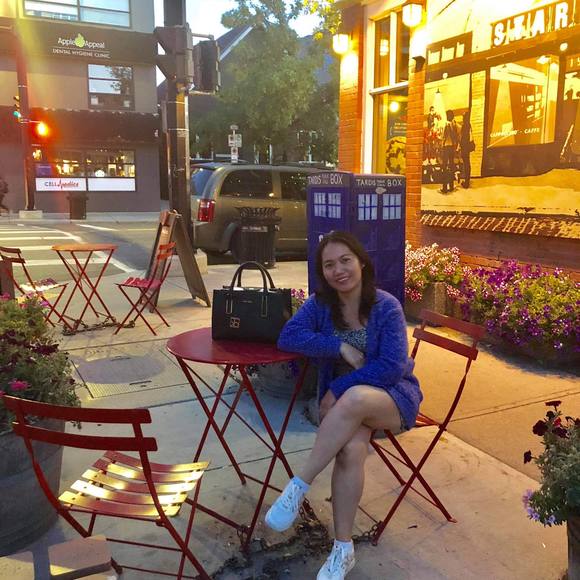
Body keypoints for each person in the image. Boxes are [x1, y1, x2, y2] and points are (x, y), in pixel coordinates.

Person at [265, 231, 422, 580]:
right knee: (350, 452)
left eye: (345, 260)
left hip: (391, 397)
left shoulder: (386, 306)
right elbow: (288, 336)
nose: (339, 270)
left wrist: (336, 389)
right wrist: (339, 347)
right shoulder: (322, 305)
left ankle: (299, 485)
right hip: (346, 412)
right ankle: (343, 549)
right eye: (329, 265)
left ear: (361, 262)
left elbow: (392, 367)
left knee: (355, 397)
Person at [439, 109, 458, 194]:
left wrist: (441, 140)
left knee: (444, 167)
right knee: (451, 166)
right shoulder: (454, 125)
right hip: (452, 147)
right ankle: (451, 186)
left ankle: (444, 188)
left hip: (446, 147)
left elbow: (443, 136)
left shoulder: (446, 125)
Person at [460, 111, 473, 189]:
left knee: (466, 164)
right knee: (467, 163)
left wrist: (460, 146)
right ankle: (467, 180)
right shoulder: (469, 124)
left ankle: (466, 182)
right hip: (467, 147)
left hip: (464, 147)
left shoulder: (464, 125)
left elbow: (463, 137)